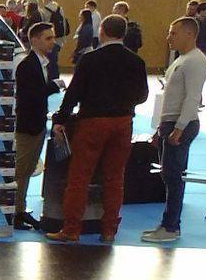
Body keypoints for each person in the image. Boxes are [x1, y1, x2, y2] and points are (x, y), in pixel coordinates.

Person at [48, 14, 150, 243]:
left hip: (92, 122)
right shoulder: (137, 61)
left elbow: (73, 93)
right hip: (123, 122)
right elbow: (142, 96)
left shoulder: (90, 59)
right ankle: (109, 230)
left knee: (79, 177)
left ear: (101, 31)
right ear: (123, 34)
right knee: (115, 178)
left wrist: (61, 119)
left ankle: (72, 228)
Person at [142, 17, 206, 244]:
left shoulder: (195, 61)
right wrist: (160, 129)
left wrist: (179, 128)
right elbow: (171, 98)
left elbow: (193, 98)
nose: (169, 38)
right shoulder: (181, 60)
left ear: (190, 34)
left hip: (182, 124)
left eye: (174, 33)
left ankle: (171, 227)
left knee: (173, 177)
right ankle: (167, 224)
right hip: (170, 123)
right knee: (167, 175)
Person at [13, 22, 61, 226]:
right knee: (21, 169)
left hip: (37, 123)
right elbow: (30, 96)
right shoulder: (27, 65)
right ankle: (14, 212)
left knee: (28, 167)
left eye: (53, 38)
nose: (53, 42)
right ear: (35, 40)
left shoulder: (42, 64)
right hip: (27, 125)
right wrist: (53, 86)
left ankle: (19, 209)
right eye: (48, 38)